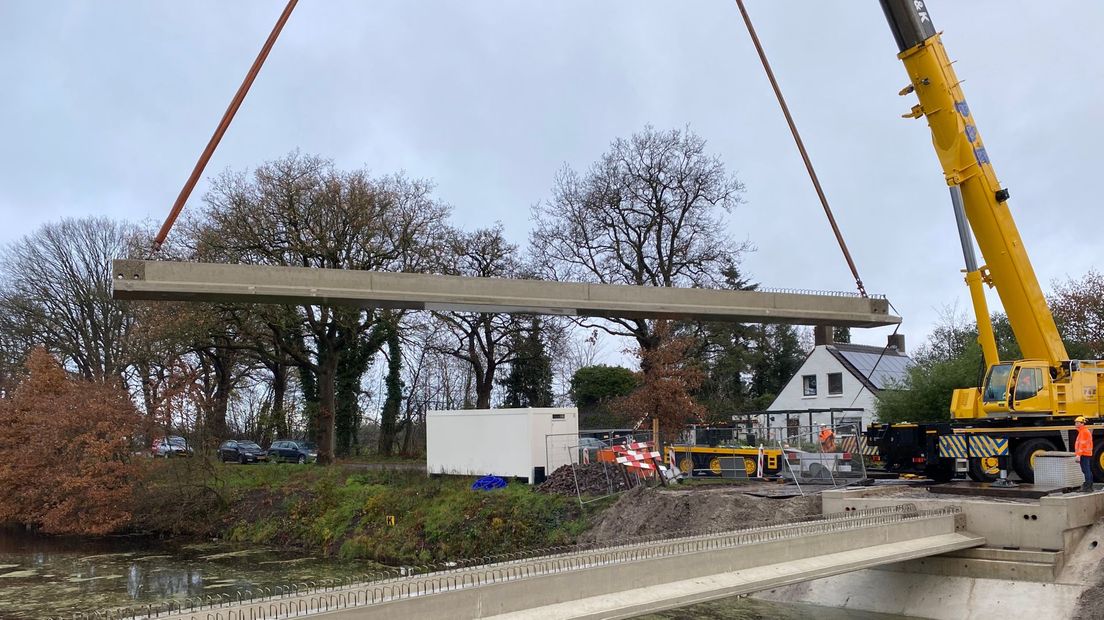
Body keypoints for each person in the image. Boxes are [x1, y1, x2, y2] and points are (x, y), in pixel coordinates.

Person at [1075, 416, 1094, 492]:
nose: (1075, 424)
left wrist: (1078, 455)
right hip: (1085, 453)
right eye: (1075, 422)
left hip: (1084, 454)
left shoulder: (1083, 432)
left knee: (1086, 470)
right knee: (1086, 470)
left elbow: (1082, 444)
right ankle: (1089, 486)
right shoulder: (1083, 431)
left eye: (1077, 422)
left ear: (1082, 423)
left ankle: (1087, 486)